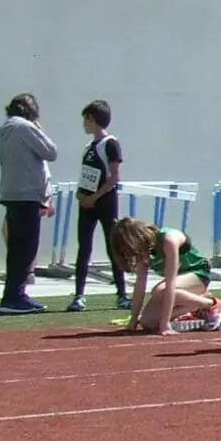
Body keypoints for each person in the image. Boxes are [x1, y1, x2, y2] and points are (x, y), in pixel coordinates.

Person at [0, 92, 57, 315]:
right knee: (27, 248)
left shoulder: (5, 131)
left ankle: (11, 295)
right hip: (28, 195)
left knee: (15, 249)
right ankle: (15, 297)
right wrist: (39, 128)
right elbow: (51, 152)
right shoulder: (26, 128)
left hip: (11, 194)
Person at [112, 217, 221, 334]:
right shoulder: (142, 251)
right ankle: (195, 306)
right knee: (148, 322)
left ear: (138, 239)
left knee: (160, 290)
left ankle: (212, 304)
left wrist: (165, 324)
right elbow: (140, 284)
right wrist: (133, 319)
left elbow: (170, 283)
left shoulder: (169, 240)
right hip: (177, 283)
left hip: (198, 274)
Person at [68, 99, 127, 311]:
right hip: (87, 204)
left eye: (86, 119)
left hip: (105, 202)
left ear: (92, 119)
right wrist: (81, 194)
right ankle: (79, 295)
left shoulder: (110, 143)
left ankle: (122, 294)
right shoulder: (89, 146)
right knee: (84, 248)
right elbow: (87, 175)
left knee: (113, 246)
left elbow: (114, 178)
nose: (84, 124)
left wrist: (95, 197)